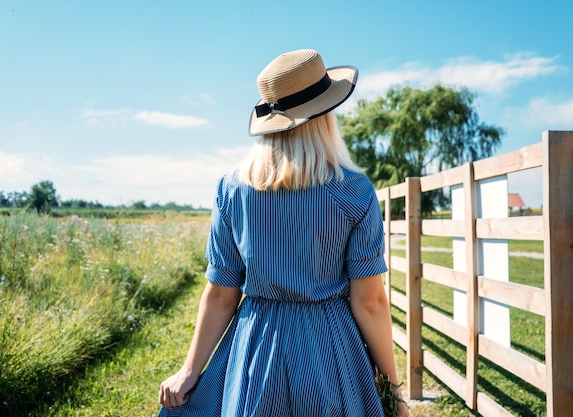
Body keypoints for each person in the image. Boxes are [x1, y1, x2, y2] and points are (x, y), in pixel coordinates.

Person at [157, 49, 408, 417]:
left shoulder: (232, 189)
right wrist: (392, 392)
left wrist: (190, 370)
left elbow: (221, 294)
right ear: (325, 115)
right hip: (330, 350)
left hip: (256, 345)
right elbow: (369, 302)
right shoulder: (355, 191)